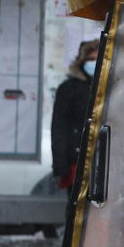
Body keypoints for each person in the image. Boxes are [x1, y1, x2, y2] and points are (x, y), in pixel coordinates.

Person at [51, 38, 99, 197]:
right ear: (82, 61)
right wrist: (61, 165)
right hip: (75, 161)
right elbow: (59, 127)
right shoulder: (68, 88)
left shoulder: (111, 87)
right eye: (90, 59)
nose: (94, 63)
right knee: (76, 205)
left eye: (97, 60)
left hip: (102, 161)